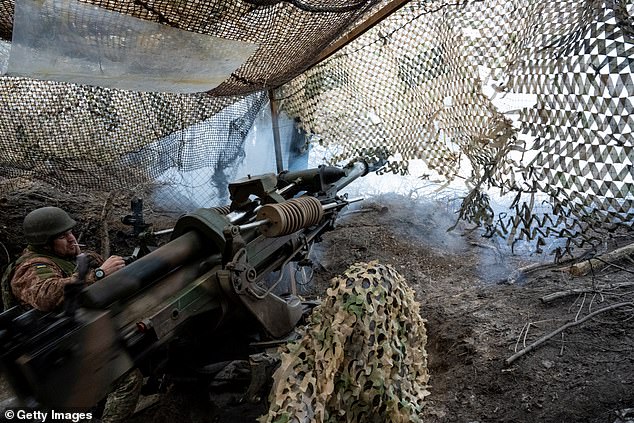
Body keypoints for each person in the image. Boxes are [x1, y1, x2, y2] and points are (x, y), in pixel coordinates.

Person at [0, 206, 142, 423]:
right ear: (45, 242)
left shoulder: (66, 257)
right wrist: (99, 273)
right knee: (126, 380)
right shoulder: (31, 267)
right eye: (62, 236)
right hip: (52, 354)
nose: (71, 238)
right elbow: (47, 296)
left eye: (70, 232)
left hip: (77, 337)